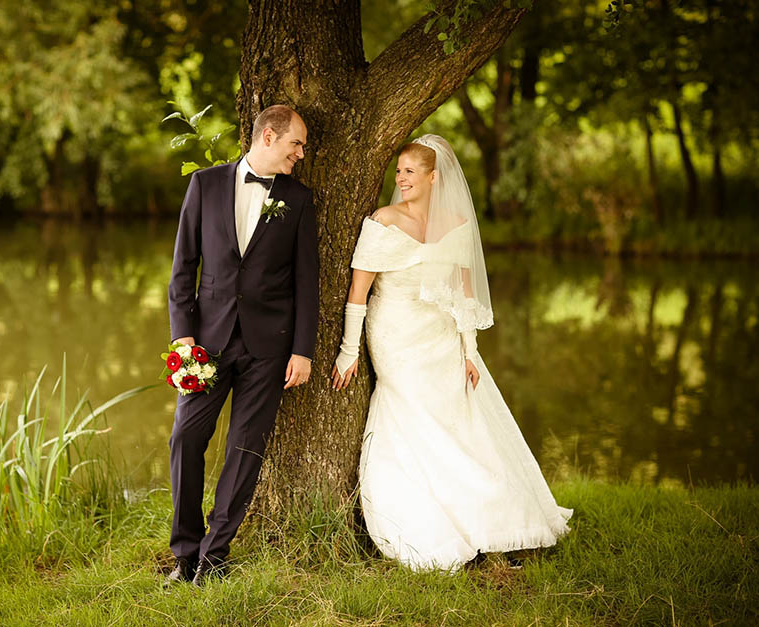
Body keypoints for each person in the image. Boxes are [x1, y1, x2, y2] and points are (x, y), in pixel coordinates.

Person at [332, 134, 571, 571]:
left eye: (409, 172)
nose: (401, 179)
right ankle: (428, 520)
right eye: (398, 171)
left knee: (456, 422)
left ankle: (487, 521)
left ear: (433, 177)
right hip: (395, 336)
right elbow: (358, 292)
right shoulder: (384, 220)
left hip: (441, 336)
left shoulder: (456, 224)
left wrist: (469, 351)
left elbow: (463, 293)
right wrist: (349, 351)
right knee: (413, 413)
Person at [166, 105, 319, 586]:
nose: (301, 153)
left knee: (245, 448)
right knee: (185, 438)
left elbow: (306, 282)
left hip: (268, 347)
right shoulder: (206, 185)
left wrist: (302, 349)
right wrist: (182, 334)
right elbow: (182, 267)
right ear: (268, 136)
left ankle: (213, 558)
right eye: (296, 143)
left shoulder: (299, 198)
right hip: (205, 342)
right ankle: (185, 554)